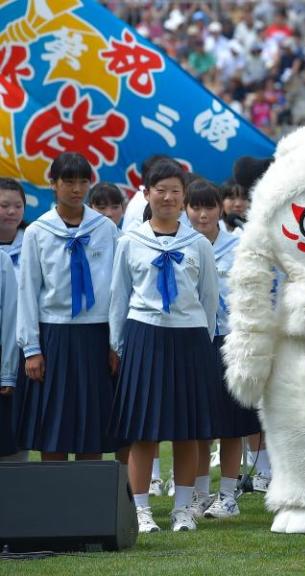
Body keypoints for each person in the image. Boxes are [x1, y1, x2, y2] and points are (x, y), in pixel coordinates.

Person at [109, 159, 220, 533]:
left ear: (184, 197)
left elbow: (208, 298)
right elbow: (119, 297)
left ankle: (183, 510)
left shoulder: (198, 245)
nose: (168, 197)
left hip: (189, 338)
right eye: (161, 190)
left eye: (175, 191)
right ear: (146, 194)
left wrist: (199, 340)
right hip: (144, 335)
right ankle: (141, 511)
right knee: (144, 430)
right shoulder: (129, 242)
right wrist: (119, 345)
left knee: (187, 430)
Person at [17, 152, 119, 462]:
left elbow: (118, 289)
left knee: (93, 421)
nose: (76, 189)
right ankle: (55, 500)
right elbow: (28, 290)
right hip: (54, 335)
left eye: (83, 182)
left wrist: (117, 343)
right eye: (68, 182)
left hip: (97, 334)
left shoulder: (105, 229)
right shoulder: (38, 231)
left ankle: (91, 500)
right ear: (53, 185)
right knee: (55, 422)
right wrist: (31, 349)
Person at [182, 179, 260, 520]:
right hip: (194, 340)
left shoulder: (240, 246)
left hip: (230, 341)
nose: (202, 215)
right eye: (195, 207)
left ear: (220, 209)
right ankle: (200, 494)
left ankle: (228, 496)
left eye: (209, 207)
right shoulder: (181, 244)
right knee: (200, 424)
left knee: (230, 423)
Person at [0, 179, 24, 463]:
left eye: (17, 205)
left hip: (18, 352)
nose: (10, 211)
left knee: (13, 434)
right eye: (4, 205)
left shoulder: (32, 241)